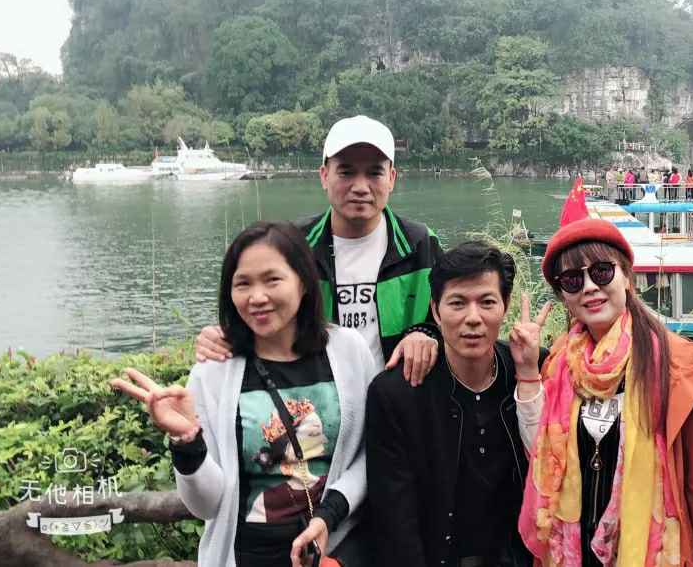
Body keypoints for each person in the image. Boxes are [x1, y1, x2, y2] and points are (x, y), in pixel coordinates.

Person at [112, 222, 379, 567]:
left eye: (272, 280)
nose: (257, 297)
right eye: (243, 284)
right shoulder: (213, 372)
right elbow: (206, 506)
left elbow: (372, 453)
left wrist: (330, 513)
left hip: (333, 553)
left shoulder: (348, 352)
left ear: (303, 282)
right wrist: (187, 443)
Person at [515, 218, 693, 566]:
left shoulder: (676, 360)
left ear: (626, 277)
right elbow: (541, 454)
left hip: (650, 548)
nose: (589, 287)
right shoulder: (560, 363)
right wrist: (528, 371)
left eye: (602, 272)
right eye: (573, 280)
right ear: (563, 296)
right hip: (575, 548)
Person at [195, 116, 443, 387]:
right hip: (318, 400)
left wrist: (425, 333)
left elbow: (448, 317)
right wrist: (223, 336)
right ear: (324, 176)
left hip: (398, 399)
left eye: (374, 173)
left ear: (392, 178)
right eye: (346, 173)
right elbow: (263, 310)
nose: (361, 187)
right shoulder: (294, 245)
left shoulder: (420, 244)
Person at [366, 242, 545, 567]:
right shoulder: (397, 394)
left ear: (505, 306)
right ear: (435, 311)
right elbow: (395, 518)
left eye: (487, 302)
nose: (473, 318)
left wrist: (530, 373)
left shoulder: (532, 369)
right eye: (457, 303)